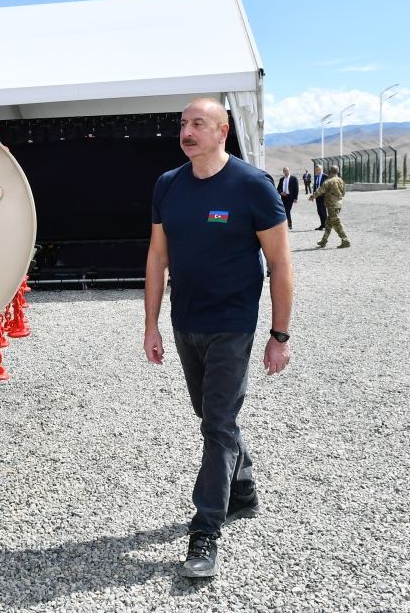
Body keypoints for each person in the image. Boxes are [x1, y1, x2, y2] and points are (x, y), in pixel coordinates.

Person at [144, 97, 294, 579]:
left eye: (198, 124)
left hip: (233, 323)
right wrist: (151, 323)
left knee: (217, 424)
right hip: (186, 321)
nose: (187, 132)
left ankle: (206, 529)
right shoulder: (167, 186)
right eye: (183, 124)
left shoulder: (252, 186)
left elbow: (280, 265)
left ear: (222, 131)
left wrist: (280, 334)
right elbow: (156, 257)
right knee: (212, 415)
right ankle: (243, 486)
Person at [308, 164, 350, 248]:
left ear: (330, 172)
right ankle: (324, 241)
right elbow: (343, 193)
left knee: (336, 223)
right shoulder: (340, 180)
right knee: (328, 223)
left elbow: (320, 190)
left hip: (332, 205)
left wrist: (313, 196)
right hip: (338, 204)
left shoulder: (329, 181)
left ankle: (345, 240)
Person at [311, 165, 328, 229]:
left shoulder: (325, 176)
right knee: (319, 211)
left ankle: (326, 225)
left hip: (323, 196)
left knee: (323, 210)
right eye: (316, 170)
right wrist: (313, 195)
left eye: (319, 170)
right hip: (317, 196)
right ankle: (322, 224)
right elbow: (315, 187)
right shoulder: (316, 177)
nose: (318, 171)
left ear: (321, 169)